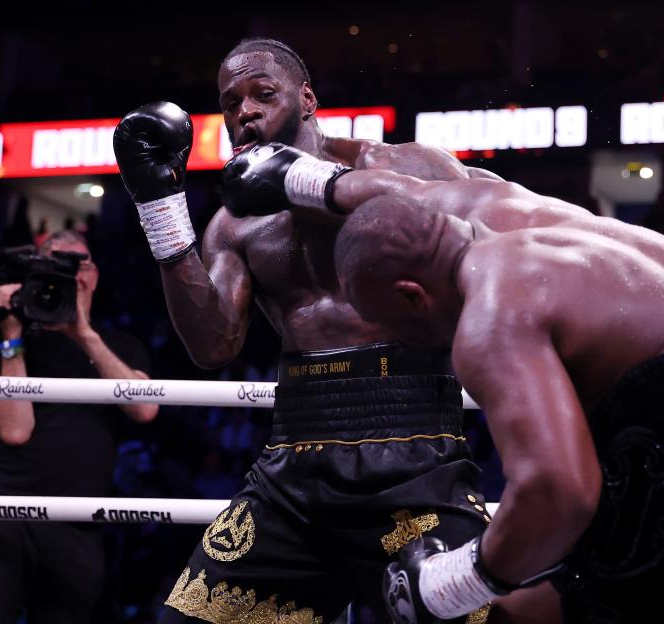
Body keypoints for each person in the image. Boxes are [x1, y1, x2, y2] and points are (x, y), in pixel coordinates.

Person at [222, 146, 664, 623]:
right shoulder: (502, 207)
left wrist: (448, 583)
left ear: (410, 294)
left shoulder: (488, 316)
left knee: (533, 607)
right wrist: (300, 179)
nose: (397, 341)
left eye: (388, 322)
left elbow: (560, 491)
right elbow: (388, 192)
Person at [113, 37, 518, 624]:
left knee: (484, 617)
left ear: (307, 98)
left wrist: (309, 184)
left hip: (413, 453)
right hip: (294, 465)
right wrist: (161, 209)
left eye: (262, 94)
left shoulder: (404, 165)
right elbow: (213, 346)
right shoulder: (232, 223)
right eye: (230, 104)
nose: (244, 112)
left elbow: (496, 230)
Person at [0, 229, 158, 624]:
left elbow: (145, 409)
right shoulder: (9, 338)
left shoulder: (120, 347)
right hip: (3, 512)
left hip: (77, 520)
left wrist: (84, 334)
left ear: (94, 276)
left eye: (80, 264)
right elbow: (14, 431)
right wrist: (10, 337)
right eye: (56, 263)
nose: (71, 273)